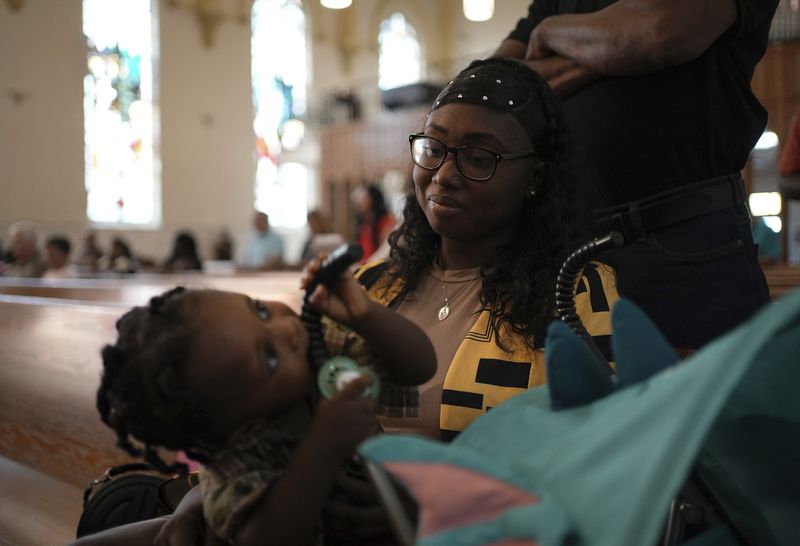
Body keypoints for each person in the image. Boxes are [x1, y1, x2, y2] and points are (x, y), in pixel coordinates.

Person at [73, 266, 435, 546]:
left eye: (260, 311)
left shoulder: (317, 354)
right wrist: (322, 447)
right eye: (269, 358)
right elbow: (267, 538)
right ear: (241, 427)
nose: (286, 329)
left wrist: (366, 316)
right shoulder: (240, 460)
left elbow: (420, 366)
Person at [492, 0, 776, 349]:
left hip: (683, 243)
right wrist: (615, 51)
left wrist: (549, 32)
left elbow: (658, 32)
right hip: (565, 246)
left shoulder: (551, 22)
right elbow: (499, 88)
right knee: (575, 399)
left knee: (706, 400)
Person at [353, 184, 396, 262]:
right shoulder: (365, 222)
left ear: (373, 198)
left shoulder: (386, 222)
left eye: (364, 197)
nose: (359, 201)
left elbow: (385, 252)